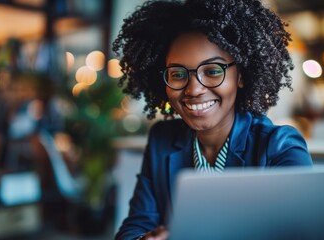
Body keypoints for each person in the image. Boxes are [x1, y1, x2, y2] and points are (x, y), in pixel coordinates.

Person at [112, 0, 313, 239]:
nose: (194, 89)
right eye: (177, 74)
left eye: (213, 71)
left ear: (240, 75)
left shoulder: (280, 147)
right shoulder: (162, 141)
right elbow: (133, 228)